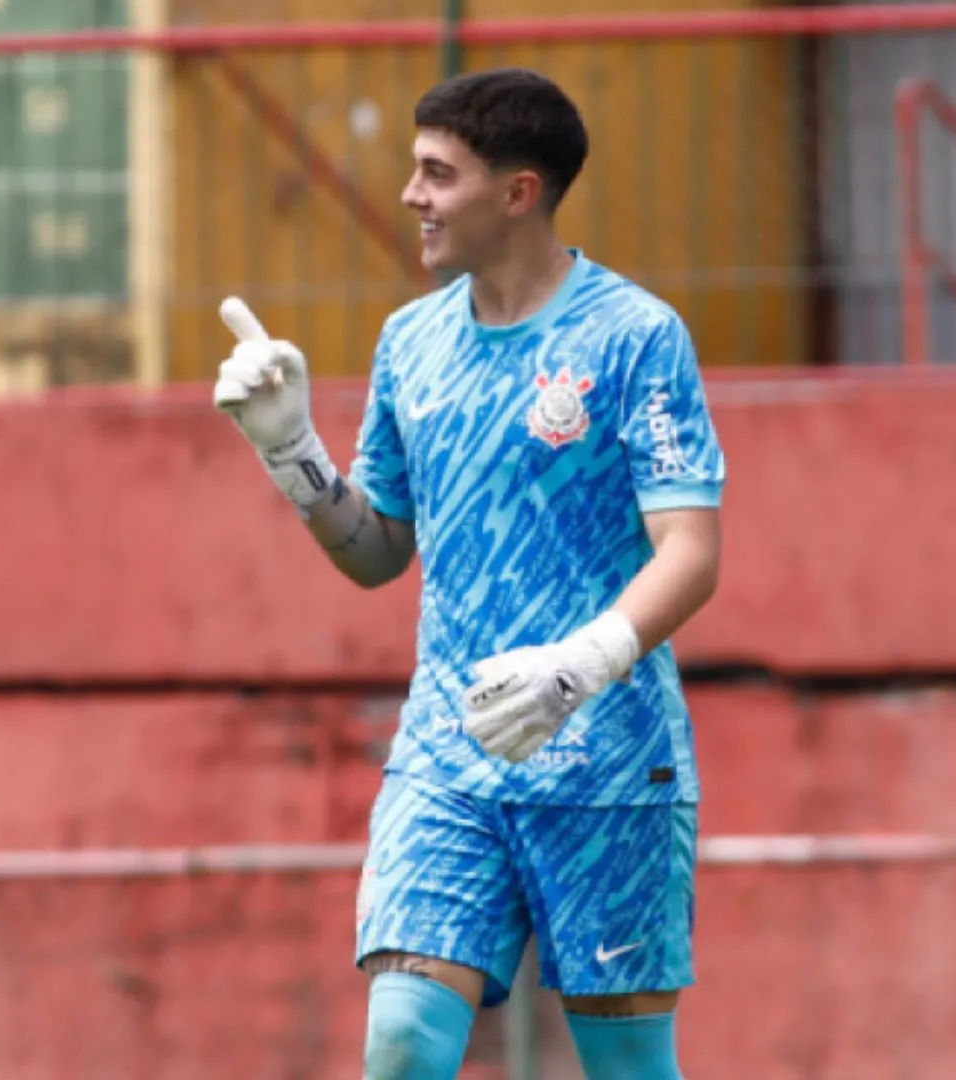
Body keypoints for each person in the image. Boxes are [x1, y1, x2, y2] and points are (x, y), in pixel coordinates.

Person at [213, 68, 725, 1080]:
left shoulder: (636, 338)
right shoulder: (412, 343)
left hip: (611, 766)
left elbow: (693, 552)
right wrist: (292, 455)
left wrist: (574, 669)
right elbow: (376, 552)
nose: (412, 195)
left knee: (627, 1067)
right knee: (403, 1040)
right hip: (449, 761)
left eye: (437, 173)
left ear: (518, 192)